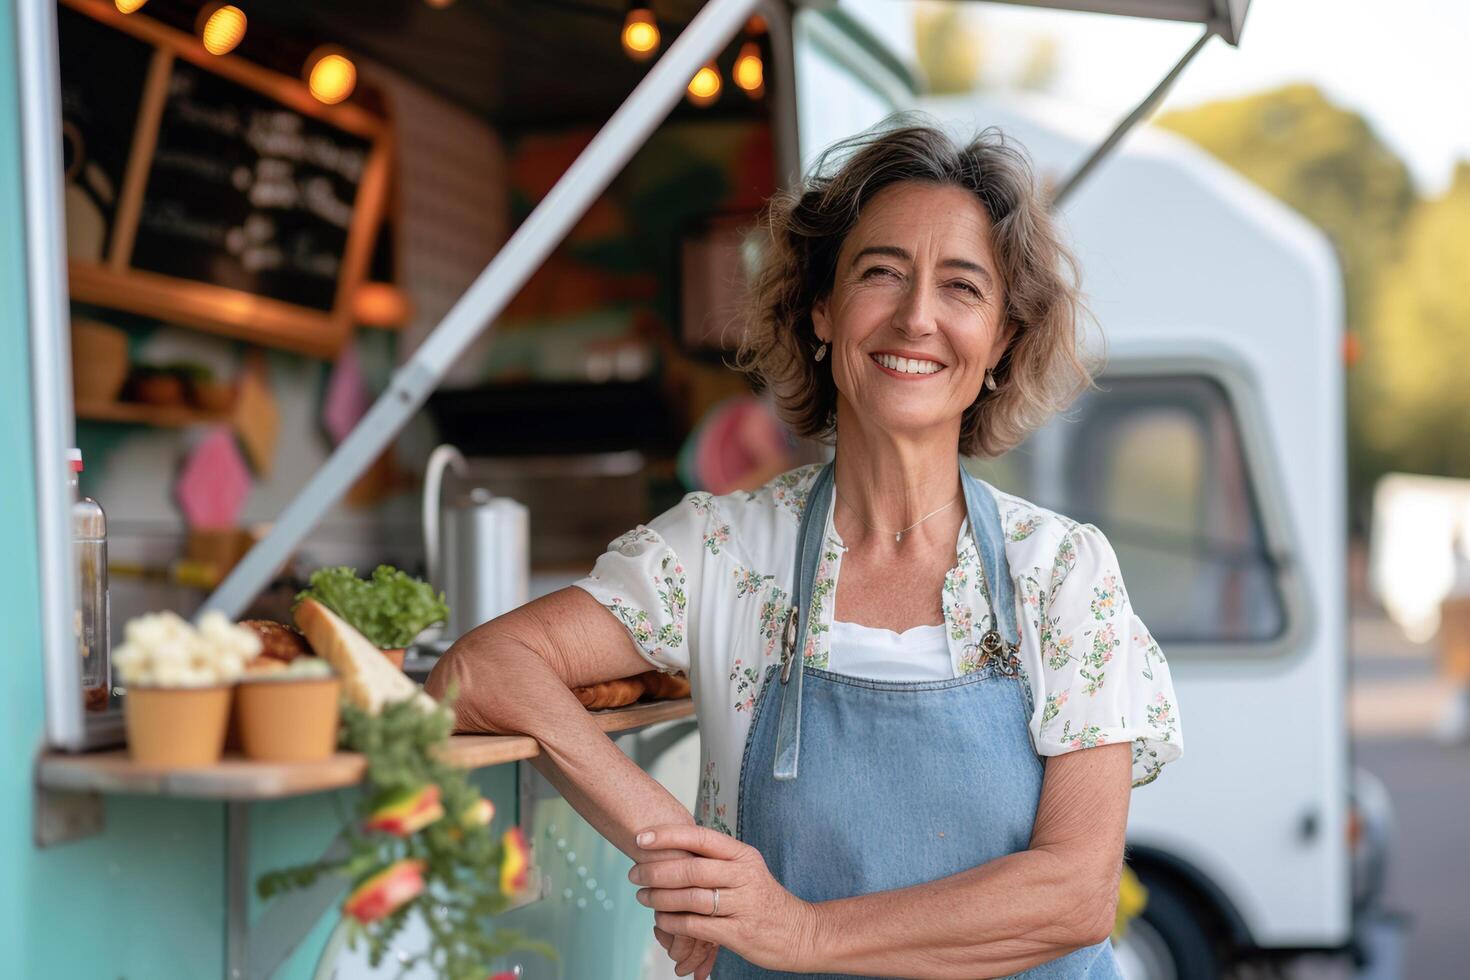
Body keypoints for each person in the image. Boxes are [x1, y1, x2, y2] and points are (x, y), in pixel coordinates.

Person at [426, 121, 1182, 979]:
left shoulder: (1062, 573)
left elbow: (1076, 894)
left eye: (962, 287)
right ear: (821, 310)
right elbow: (482, 670)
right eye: (881, 273)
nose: (916, 316)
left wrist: (804, 933)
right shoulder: (723, 551)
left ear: (1002, 340)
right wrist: (686, 855)